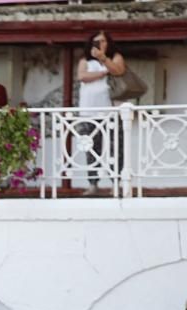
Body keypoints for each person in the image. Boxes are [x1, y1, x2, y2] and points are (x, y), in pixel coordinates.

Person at [78, 30, 126, 196]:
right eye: (97, 41)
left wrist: (103, 59)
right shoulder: (85, 61)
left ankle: (116, 182)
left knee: (116, 149)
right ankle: (93, 183)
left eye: (103, 41)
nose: (100, 44)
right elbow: (82, 76)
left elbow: (118, 70)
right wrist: (103, 72)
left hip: (111, 111)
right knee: (91, 149)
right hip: (89, 112)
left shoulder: (115, 57)